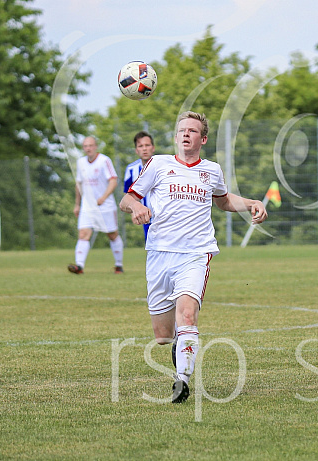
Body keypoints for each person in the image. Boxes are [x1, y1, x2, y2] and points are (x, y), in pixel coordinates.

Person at [119, 111, 268, 404]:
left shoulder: (211, 169)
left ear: (203, 139)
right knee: (162, 336)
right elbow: (127, 198)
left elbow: (224, 200)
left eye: (192, 130)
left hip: (196, 254)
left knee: (187, 314)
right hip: (159, 254)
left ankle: (182, 381)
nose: (186, 134)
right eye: (181, 130)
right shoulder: (158, 164)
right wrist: (136, 208)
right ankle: (179, 341)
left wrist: (251, 203)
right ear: (176, 137)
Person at [68, 136, 124, 275]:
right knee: (83, 234)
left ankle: (119, 265)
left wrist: (103, 197)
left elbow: (113, 180)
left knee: (112, 234)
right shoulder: (81, 162)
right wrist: (77, 204)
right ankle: (79, 266)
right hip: (87, 206)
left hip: (105, 205)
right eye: (85, 146)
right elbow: (79, 184)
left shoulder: (104, 160)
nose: (88, 148)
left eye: (91, 145)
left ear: (96, 146)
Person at [124, 131, 155, 241]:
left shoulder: (163, 166)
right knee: (152, 251)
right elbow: (127, 195)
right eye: (141, 146)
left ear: (153, 148)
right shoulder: (131, 169)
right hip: (146, 218)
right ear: (137, 150)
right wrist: (134, 210)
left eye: (147, 145)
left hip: (165, 217)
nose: (144, 149)